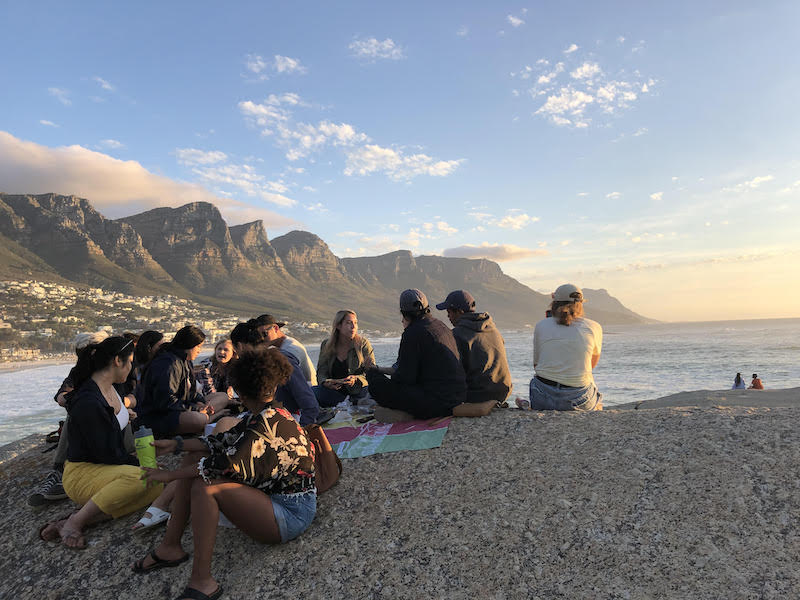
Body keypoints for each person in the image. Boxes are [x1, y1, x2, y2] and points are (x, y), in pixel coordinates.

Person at [132, 345, 316, 600]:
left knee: (206, 487)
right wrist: (177, 445)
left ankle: (202, 581)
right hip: (270, 499)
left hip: (290, 513)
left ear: (239, 392)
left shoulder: (263, 427)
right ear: (273, 387)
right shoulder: (269, 413)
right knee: (193, 457)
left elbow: (224, 465)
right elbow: (224, 440)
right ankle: (170, 546)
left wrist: (169, 476)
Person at [38, 337, 163, 549]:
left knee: (157, 486)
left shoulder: (113, 389)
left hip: (105, 469)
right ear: (117, 361)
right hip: (82, 474)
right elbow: (106, 453)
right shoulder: (88, 400)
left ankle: (76, 519)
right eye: (130, 361)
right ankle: (75, 522)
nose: (131, 366)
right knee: (141, 477)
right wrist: (140, 465)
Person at [29, 330, 129, 507]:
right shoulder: (80, 374)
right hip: (100, 431)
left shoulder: (117, 369)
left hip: (120, 432)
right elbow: (61, 396)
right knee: (77, 414)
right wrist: (82, 401)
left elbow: (133, 395)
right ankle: (60, 472)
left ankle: (62, 471)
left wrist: (125, 404)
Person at [366, 289, 466, 419]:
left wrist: (380, 375)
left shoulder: (412, 333)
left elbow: (405, 377)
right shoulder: (441, 325)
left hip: (438, 404)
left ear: (404, 313)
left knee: (375, 382)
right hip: (458, 396)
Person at [137, 326, 230, 437]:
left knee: (223, 397)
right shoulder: (169, 363)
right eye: (198, 347)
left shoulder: (185, 360)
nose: (199, 351)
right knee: (199, 419)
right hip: (162, 415)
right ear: (189, 345)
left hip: (182, 405)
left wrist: (201, 403)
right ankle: (211, 418)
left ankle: (206, 416)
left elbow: (191, 392)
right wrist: (195, 409)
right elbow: (166, 401)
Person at [229, 322, 320, 426]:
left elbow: (310, 405)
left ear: (239, 346)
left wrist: (303, 431)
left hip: (286, 422)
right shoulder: (274, 360)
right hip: (270, 420)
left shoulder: (279, 361)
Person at [529, 284, 603, 411]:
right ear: (580, 305)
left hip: (542, 397)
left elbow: (536, 365)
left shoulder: (541, 325)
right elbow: (591, 365)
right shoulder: (594, 327)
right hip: (579, 399)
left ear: (554, 303)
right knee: (592, 388)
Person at [435, 290, 513, 404]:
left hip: (479, 396)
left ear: (460, 312)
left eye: (449, 312)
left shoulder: (457, 335)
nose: (447, 316)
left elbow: (451, 373)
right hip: (503, 392)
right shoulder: (493, 329)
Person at [314, 310, 375, 408]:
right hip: (334, 393)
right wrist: (325, 382)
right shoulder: (326, 345)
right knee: (312, 392)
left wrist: (356, 379)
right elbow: (321, 371)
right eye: (348, 323)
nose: (353, 326)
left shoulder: (363, 344)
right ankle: (351, 404)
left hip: (359, 391)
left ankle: (351, 403)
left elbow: (371, 371)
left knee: (376, 390)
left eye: (355, 323)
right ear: (338, 326)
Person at [253, 314, 317, 385]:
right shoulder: (280, 347)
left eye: (264, 334)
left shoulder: (291, 348)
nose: (262, 338)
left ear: (276, 328)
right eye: (259, 335)